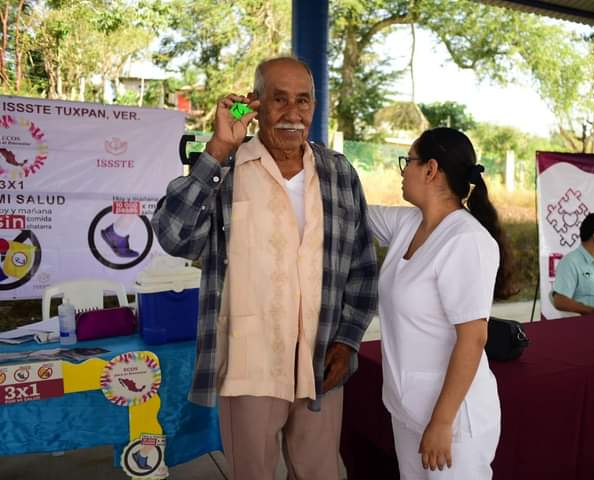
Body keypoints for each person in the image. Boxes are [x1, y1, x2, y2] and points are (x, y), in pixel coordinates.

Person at [152, 56, 378, 480]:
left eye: (303, 100)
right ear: (255, 104)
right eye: (279, 99)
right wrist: (218, 149)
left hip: (321, 359)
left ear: (314, 106)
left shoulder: (338, 172)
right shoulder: (227, 169)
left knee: (320, 473)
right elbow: (173, 236)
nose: (293, 113)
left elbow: (362, 268)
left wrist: (347, 340)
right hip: (249, 364)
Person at [366, 127, 514, 479]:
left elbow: (473, 338)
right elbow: (343, 203)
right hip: (408, 408)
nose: (403, 171)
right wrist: (246, 116)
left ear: (430, 169)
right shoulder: (407, 223)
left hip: (452, 421)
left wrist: (442, 422)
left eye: (408, 161)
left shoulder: (466, 240)